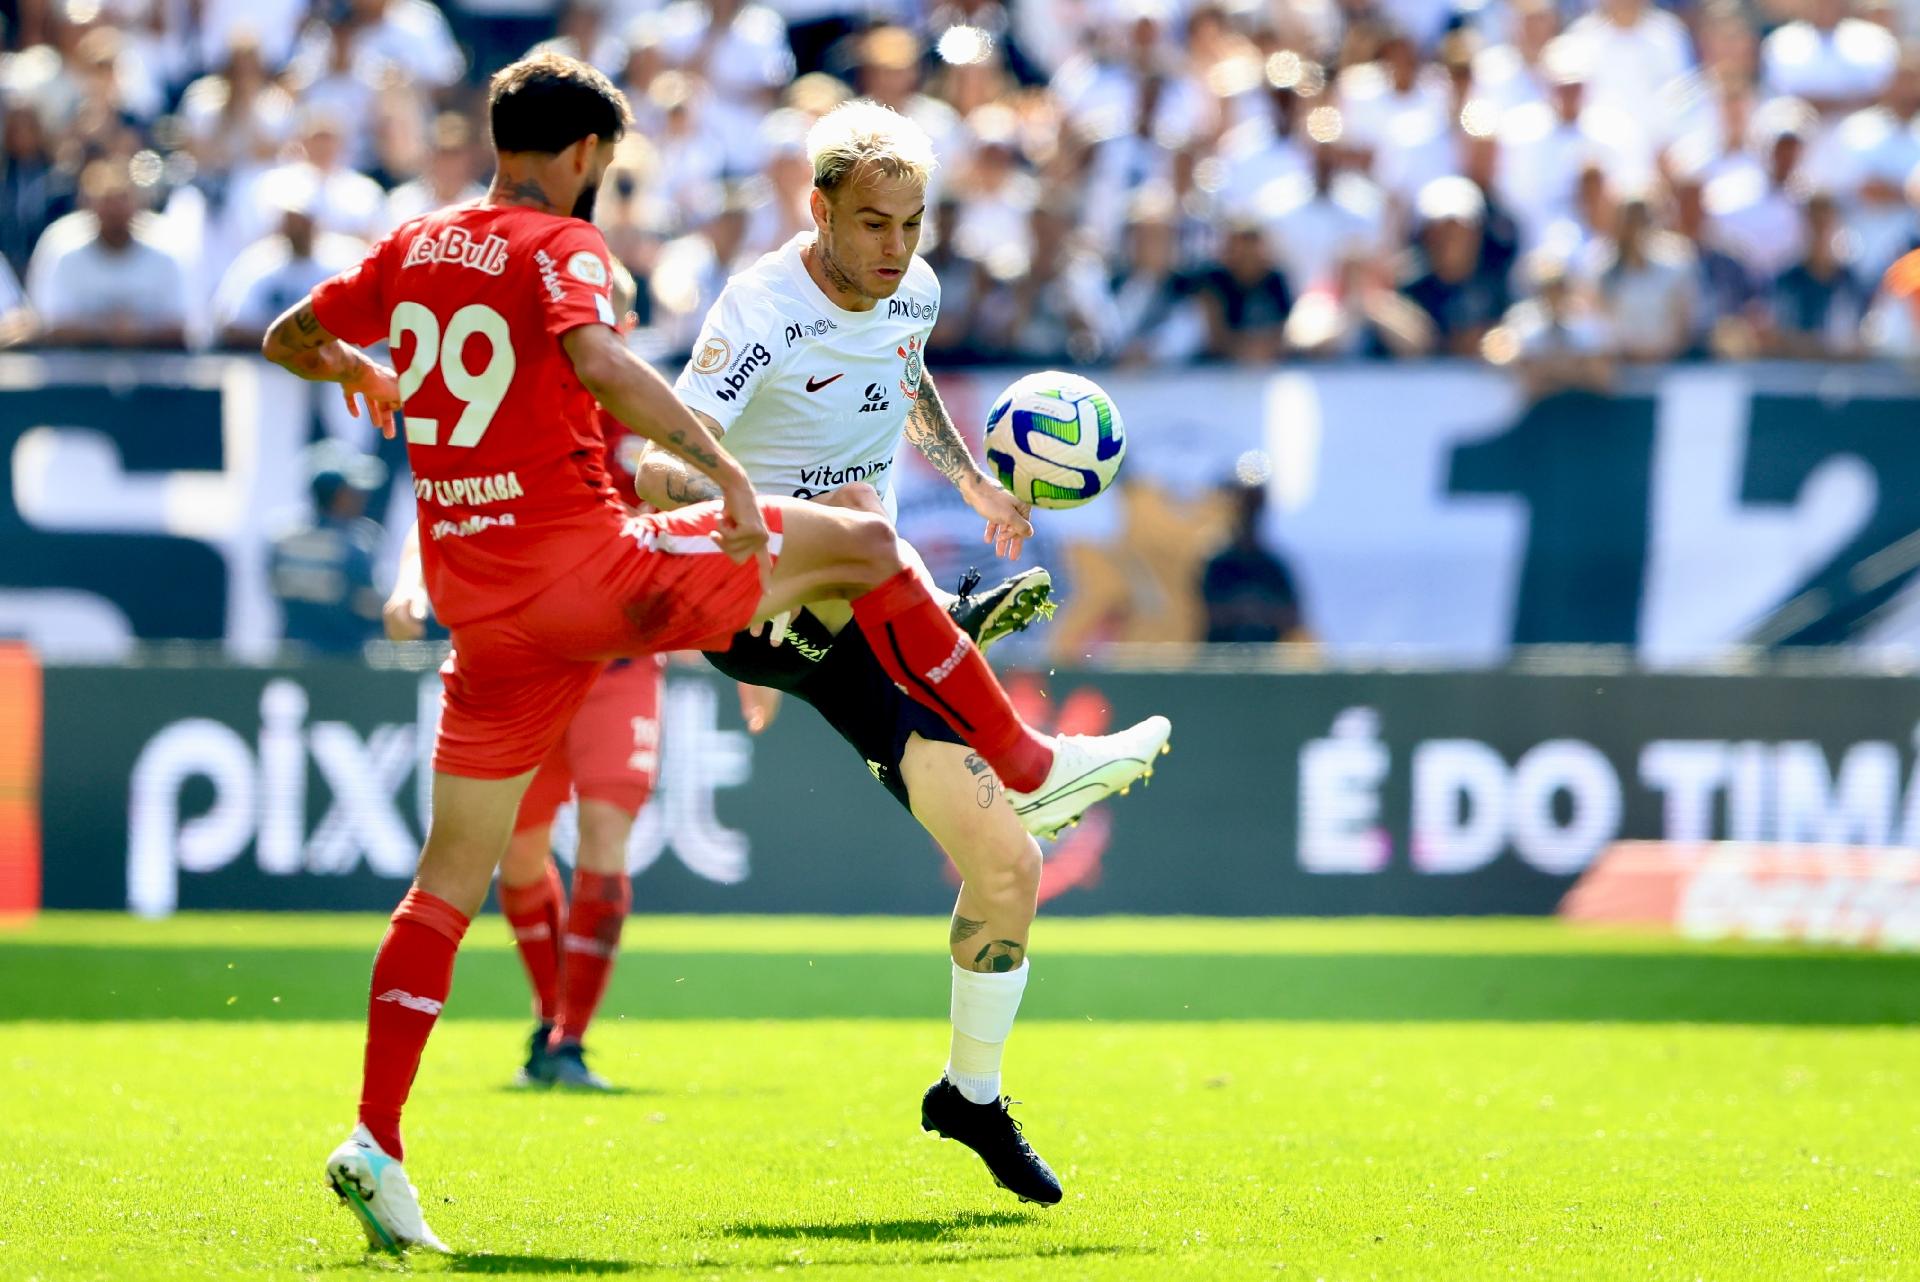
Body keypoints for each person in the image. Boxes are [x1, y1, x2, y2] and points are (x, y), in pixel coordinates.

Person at [258, 52, 1170, 1254]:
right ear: (584, 155)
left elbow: (285, 336)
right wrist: (729, 472)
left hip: (484, 614)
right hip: (595, 575)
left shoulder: (410, 247)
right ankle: (1022, 745)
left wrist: (362, 368)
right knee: (862, 546)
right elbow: (599, 365)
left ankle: (374, 1136)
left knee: (445, 883)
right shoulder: (567, 249)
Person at [635, 97, 1101, 1215]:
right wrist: (778, 513)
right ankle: (964, 653)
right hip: (755, 591)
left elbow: (903, 377)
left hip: (860, 628)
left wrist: (976, 481)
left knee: (1007, 870)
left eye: (913, 224)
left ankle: (971, 1094)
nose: (896, 247)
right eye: (874, 224)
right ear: (820, 211)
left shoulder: (916, 291)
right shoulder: (756, 314)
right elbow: (658, 472)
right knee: (853, 519)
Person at [270, 443, 389, 655]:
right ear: (340, 495)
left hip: (292, 655)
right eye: (353, 491)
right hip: (348, 660)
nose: (361, 498)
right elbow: (371, 608)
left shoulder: (281, 540)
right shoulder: (357, 544)